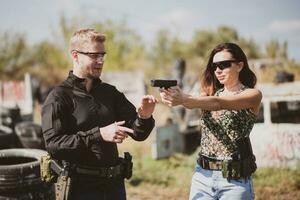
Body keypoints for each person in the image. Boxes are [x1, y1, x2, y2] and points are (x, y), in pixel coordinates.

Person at [41, 28, 157, 200]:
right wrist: (99, 134)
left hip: (114, 186)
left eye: (103, 55)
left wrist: (144, 117)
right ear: (75, 55)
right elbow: (54, 145)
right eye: (94, 56)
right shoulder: (59, 96)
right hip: (80, 188)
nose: (100, 61)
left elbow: (138, 133)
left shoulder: (110, 93)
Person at [159, 42, 262, 200]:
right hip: (203, 176)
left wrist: (184, 98)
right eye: (215, 66)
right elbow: (191, 101)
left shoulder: (252, 95)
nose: (218, 70)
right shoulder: (210, 94)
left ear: (240, 65)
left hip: (234, 180)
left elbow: (219, 103)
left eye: (224, 65)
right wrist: (175, 97)